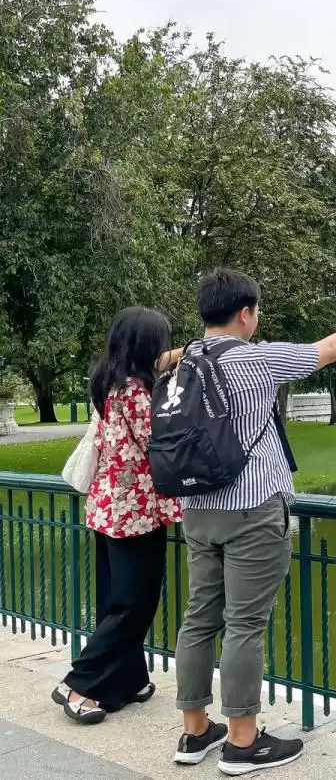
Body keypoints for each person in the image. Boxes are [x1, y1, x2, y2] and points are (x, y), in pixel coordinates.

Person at [172, 268, 336, 775]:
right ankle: (243, 744)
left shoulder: (182, 362)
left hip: (196, 508)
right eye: (256, 312)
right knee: (244, 624)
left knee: (199, 617)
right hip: (251, 510)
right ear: (245, 313)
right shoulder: (256, 358)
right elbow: (327, 349)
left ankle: (195, 732)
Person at [51, 307, 183, 723]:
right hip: (135, 513)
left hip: (109, 508)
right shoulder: (136, 391)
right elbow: (159, 442)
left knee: (117, 600)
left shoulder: (108, 381)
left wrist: (188, 353)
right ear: (147, 345)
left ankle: (129, 679)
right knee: (135, 603)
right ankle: (80, 683)